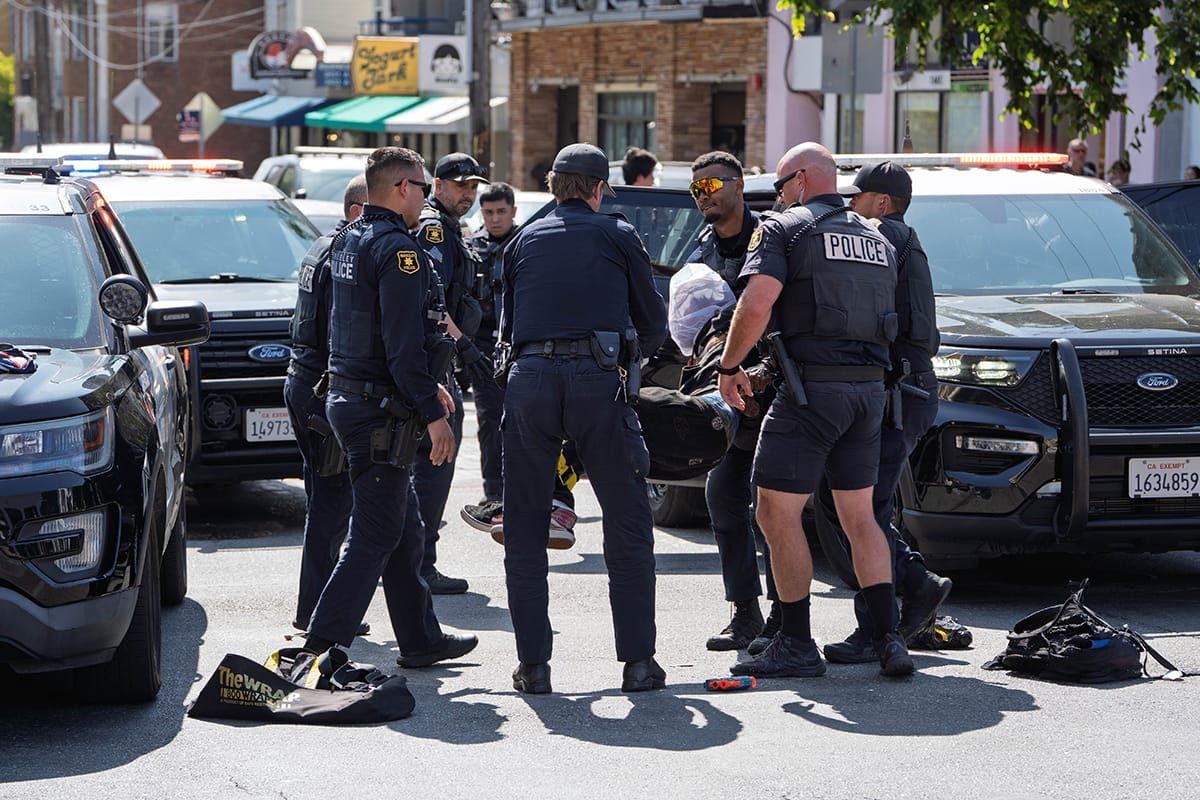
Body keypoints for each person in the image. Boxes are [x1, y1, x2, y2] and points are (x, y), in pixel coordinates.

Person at [717, 142, 914, 679]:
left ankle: (797, 642)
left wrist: (731, 365)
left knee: (773, 511)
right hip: (869, 395)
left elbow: (757, 303)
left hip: (811, 393)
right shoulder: (876, 237)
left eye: (780, 187)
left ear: (801, 180)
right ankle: (886, 637)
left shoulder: (786, 229)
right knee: (860, 516)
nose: (777, 199)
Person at [499, 143, 668, 694]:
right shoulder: (619, 234)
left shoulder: (522, 238)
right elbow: (655, 323)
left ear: (553, 185)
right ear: (599, 189)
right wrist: (624, 358)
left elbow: (506, 326)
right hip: (598, 382)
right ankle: (638, 664)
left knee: (525, 527)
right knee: (626, 522)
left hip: (529, 382)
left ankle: (534, 667)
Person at [300, 146, 478, 669]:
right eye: (423, 188)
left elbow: (366, 335)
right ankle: (319, 647)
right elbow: (403, 344)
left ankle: (421, 639)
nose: (426, 198)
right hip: (379, 409)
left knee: (404, 523)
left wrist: (423, 391)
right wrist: (433, 411)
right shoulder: (399, 250)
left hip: (350, 396)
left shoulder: (350, 238)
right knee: (375, 532)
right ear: (403, 188)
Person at [811, 160, 952, 665]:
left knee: (863, 509)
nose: (850, 207)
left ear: (883, 201)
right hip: (906, 388)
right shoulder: (903, 237)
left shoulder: (883, 236)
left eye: (859, 198)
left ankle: (885, 618)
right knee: (857, 505)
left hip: (897, 389)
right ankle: (912, 586)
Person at [685, 151, 777, 652]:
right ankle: (746, 614)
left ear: (738, 185)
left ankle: (789, 617)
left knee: (781, 505)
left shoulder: (769, 238)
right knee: (723, 494)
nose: (705, 195)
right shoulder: (701, 246)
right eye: (697, 189)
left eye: (713, 185)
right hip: (727, 393)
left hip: (775, 391)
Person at [284, 174, 371, 637]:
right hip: (320, 389)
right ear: (358, 208)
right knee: (332, 504)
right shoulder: (344, 253)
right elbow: (344, 333)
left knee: (325, 500)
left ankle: (317, 606)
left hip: (304, 383)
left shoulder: (323, 244)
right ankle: (317, 612)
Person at [412, 152, 491, 595]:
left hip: (437, 360)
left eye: (473, 186)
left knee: (428, 467)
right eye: (460, 185)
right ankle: (420, 564)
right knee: (433, 465)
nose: (468, 193)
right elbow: (432, 303)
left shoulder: (448, 227)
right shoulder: (435, 229)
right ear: (436, 184)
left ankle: (417, 561)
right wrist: (463, 345)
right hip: (433, 363)